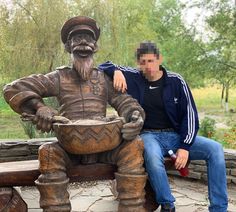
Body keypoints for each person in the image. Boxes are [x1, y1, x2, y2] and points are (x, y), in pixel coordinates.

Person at [3, 16, 148, 212]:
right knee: (48, 152)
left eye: (88, 39)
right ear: (68, 47)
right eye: (77, 38)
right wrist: (40, 108)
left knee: (134, 146)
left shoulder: (105, 78)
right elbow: (14, 88)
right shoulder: (58, 78)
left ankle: (132, 208)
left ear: (95, 46)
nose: (83, 43)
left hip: (105, 146)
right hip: (69, 147)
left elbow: (126, 102)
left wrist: (135, 117)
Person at [98, 41, 228, 212]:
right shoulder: (135, 76)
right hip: (148, 135)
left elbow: (190, 115)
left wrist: (185, 146)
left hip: (175, 136)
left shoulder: (176, 81)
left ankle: (219, 208)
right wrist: (115, 70)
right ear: (139, 64)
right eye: (143, 62)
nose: (148, 66)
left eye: (151, 61)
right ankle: (167, 204)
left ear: (159, 59)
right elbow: (101, 65)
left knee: (215, 149)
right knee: (152, 157)